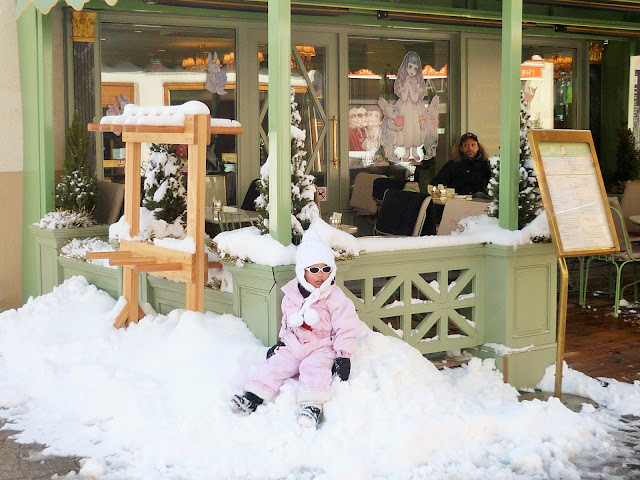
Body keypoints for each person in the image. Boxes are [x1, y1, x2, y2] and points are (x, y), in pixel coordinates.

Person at [230, 231, 361, 428]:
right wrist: (282, 341)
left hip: (322, 346)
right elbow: (286, 322)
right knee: (276, 364)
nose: (321, 275)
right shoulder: (291, 295)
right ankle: (253, 395)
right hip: (295, 343)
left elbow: (347, 327)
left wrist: (343, 355)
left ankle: (311, 405)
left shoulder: (336, 298)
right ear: (302, 271)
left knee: (314, 368)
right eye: (314, 270)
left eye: (326, 269)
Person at [429, 132, 491, 197]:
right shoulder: (452, 165)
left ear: (478, 147)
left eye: (473, 145)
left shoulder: (486, 165)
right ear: (461, 148)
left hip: (480, 203)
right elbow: (436, 183)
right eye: (466, 145)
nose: (470, 149)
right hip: (457, 203)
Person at [393, 51, 427, 161]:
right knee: (406, 129)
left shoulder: (418, 83)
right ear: (405, 67)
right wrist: (406, 87)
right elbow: (403, 97)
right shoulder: (403, 81)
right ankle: (407, 152)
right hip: (405, 109)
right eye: (410, 67)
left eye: (415, 68)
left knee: (415, 128)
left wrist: (411, 89)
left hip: (415, 109)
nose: (412, 71)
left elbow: (415, 99)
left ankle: (414, 151)